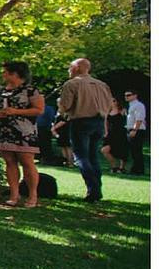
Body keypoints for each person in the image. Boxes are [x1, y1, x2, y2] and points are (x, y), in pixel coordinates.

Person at [0, 61, 45, 207]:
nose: (3, 74)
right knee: (9, 162)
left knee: (27, 162)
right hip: (4, 130)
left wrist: (16, 111)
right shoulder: (0, 91)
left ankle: (32, 195)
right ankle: (14, 195)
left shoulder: (31, 90)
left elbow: (39, 109)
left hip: (25, 132)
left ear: (15, 73)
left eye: (5, 72)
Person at [57, 58, 115, 202]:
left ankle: (93, 188)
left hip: (81, 122)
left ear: (76, 68)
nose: (69, 70)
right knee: (93, 156)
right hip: (99, 122)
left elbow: (65, 105)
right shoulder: (102, 85)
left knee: (81, 156)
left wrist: (62, 109)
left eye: (70, 67)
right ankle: (97, 188)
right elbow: (109, 106)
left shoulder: (72, 83)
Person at [102, 98, 128, 173]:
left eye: (114, 101)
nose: (112, 102)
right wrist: (106, 132)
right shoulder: (108, 111)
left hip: (120, 133)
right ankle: (114, 166)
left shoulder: (122, 110)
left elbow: (127, 121)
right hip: (111, 133)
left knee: (121, 150)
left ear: (117, 102)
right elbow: (105, 123)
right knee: (104, 150)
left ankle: (122, 168)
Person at [124, 89, 147, 175]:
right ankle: (136, 169)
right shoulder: (131, 105)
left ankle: (138, 170)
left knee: (137, 151)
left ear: (135, 95)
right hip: (131, 129)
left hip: (137, 130)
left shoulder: (138, 105)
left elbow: (139, 119)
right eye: (125, 95)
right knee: (133, 151)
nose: (126, 97)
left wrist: (134, 130)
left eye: (129, 95)